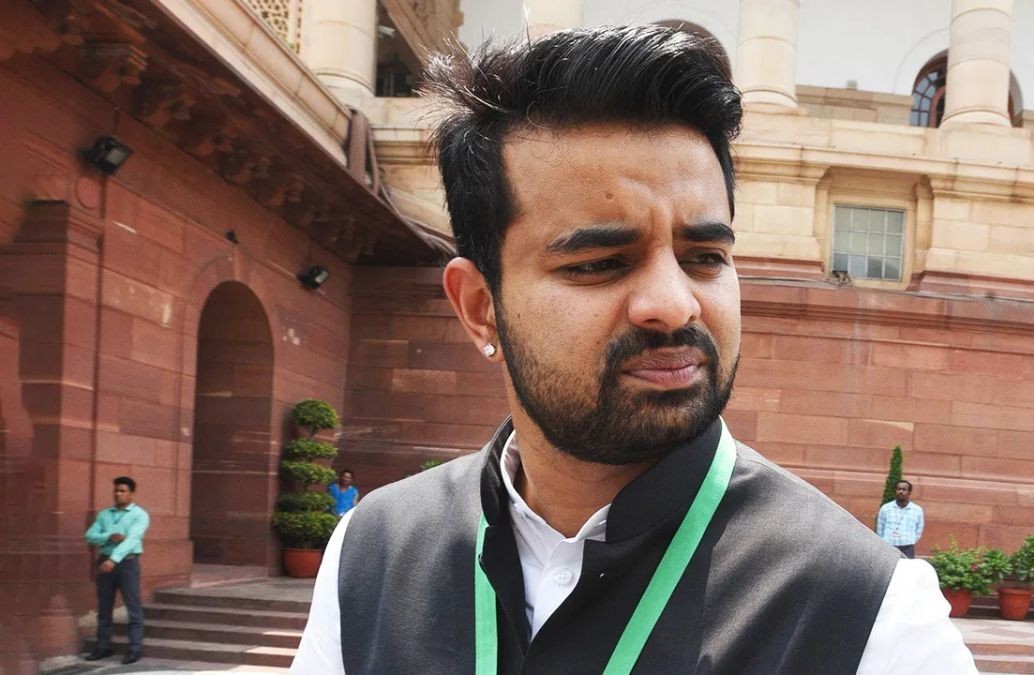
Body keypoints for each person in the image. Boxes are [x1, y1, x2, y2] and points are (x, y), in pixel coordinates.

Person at [292, 25, 976, 674]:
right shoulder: (372, 554)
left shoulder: (869, 615)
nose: (675, 304)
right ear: (479, 307)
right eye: (600, 263)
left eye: (704, 256)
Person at [83, 476, 150, 664]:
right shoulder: (104, 515)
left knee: (132, 606)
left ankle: (134, 649)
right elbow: (90, 536)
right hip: (104, 562)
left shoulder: (140, 515)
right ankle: (103, 647)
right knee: (104, 607)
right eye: (116, 490)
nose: (118, 494)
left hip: (127, 563)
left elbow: (132, 540)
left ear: (132, 493)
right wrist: (108, 536)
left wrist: (114, 559)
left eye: (123, 491)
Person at [876, 480, 924, 559]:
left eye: (904, 489)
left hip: (907, 547)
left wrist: (910, 540)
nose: (901, 492)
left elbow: (919, 530)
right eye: (899, 489)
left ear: (909, 492)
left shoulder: (917, 510)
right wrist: (884, 541)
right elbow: (880, 528)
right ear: (895, 491)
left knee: (906, 566)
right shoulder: (886, 508)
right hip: (889, 545)